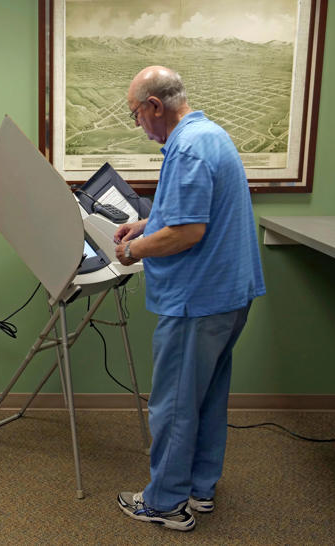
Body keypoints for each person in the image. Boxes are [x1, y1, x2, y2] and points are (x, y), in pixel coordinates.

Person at [113, 66, 266, 532]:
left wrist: (130, 249)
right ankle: (198, 489)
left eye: (136, 115)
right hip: (228, 294)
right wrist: (147, 220)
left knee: (176, 403)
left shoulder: (187, 148)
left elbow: (187, 231)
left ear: (155, 106)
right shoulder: (209, 134)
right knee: (205, 396)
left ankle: (165, 503)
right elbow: (192, 211)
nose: (138, 125)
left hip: (198, 300)